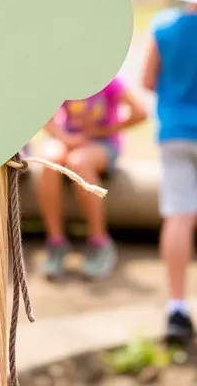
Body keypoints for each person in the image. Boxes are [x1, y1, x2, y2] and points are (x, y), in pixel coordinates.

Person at [37, 75, 147, 281]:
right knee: (49, 160)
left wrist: (105, 130)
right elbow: (44, 116)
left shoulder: (111, 82)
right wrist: (66, 139)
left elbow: (141, 112)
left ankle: (100, 241)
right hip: (71, 140)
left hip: (102, 145)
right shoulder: (64, 81)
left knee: (79, 162)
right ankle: (56, 242)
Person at [142, 0, 197, 345]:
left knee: (178, 215)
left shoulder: (162, 27)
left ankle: (177, 307)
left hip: (175, 132)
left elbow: (147, 80)